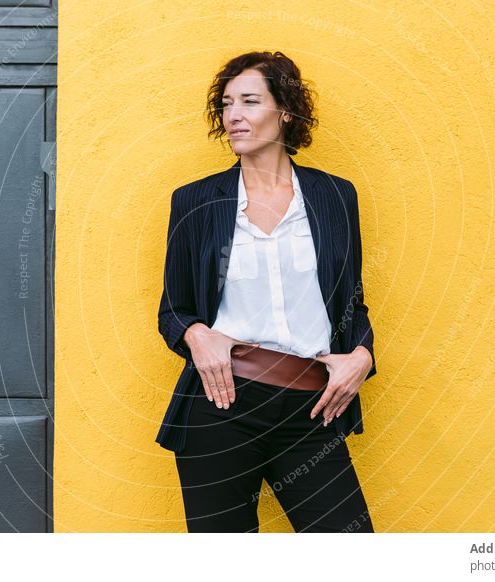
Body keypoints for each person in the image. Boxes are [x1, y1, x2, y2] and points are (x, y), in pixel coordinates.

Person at [157, 50, 378, 533]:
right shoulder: (195, 200)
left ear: (285, 111)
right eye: (227, 103)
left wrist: (361, 354)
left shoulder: (335, 196)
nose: (233, 115)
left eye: (250, 101)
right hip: (220, 407)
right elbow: (173, 310)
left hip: (311, 410)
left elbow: (350, 300)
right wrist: (197, 335)